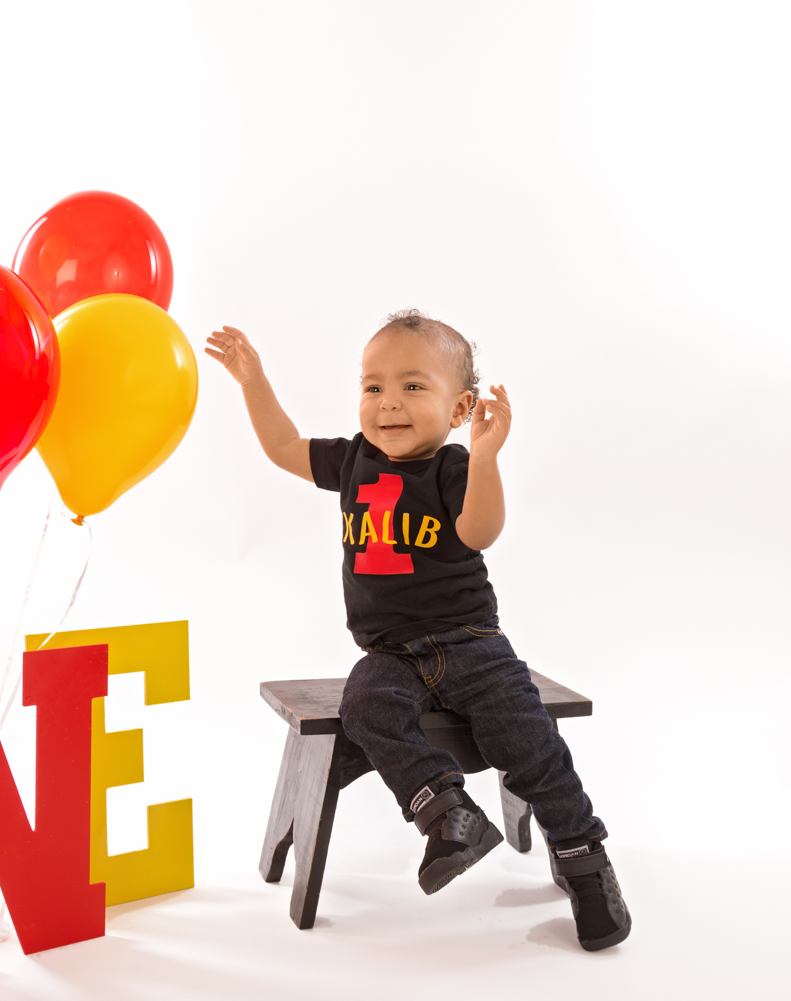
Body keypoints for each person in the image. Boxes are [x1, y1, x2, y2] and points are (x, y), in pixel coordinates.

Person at [205, 310, 631, 951]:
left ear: (460, 408)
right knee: (365, 704)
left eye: (412, 386)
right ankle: (447, 813)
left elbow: (478, 532)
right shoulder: (353, 461)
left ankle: (582, 855)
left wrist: (486, 459)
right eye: (373, 387)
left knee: (529, 741)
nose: (388, 404)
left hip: (469, 643)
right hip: (390, 654)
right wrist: (252, 379)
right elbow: (283, 447)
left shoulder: (453, 468)